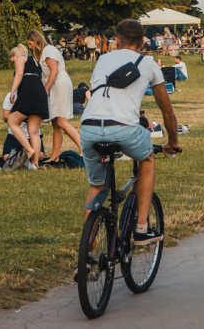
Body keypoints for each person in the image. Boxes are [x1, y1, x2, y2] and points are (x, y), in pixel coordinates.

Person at [79, 19, 180, 245]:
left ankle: (87, 250)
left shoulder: (102, 60)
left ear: (116, 41)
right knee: (147, 159)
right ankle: (142, 228)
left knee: (97, 185)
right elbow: (167, 112)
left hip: (89, 128)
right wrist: (172, 142)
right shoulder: (149, 64)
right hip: (123, 128)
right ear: (143, 42)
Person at [28, 30, 82, 161]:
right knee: (56, 123)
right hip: (54, 86)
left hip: (59, 85)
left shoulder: (49, 50)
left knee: (62, 122)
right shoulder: (42, 54)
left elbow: (55, 70)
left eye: (30, 44)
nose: (30, 47)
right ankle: (54, 156)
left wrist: (45, 89)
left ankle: (84, 149)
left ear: (36, 41)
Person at [7, 44, 49, 168]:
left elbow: (19, 74)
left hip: (28, 92)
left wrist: (13, 91)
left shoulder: (21, 58)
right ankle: (34, 164)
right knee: (34, 132)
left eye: (12, 59)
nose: (13, 62)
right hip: (40, 94)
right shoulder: (36, 62)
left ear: (15, 55)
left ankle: (29, 149)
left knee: (12, 121)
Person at [2, 91, 45, 161]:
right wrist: (19, 115)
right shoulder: (11, 96)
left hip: (32, 135)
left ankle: (21, 159)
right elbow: (5, 118)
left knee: (39, 156)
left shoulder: (35, 97)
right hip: (14, 135)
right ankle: (22, 158)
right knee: (6, 157)